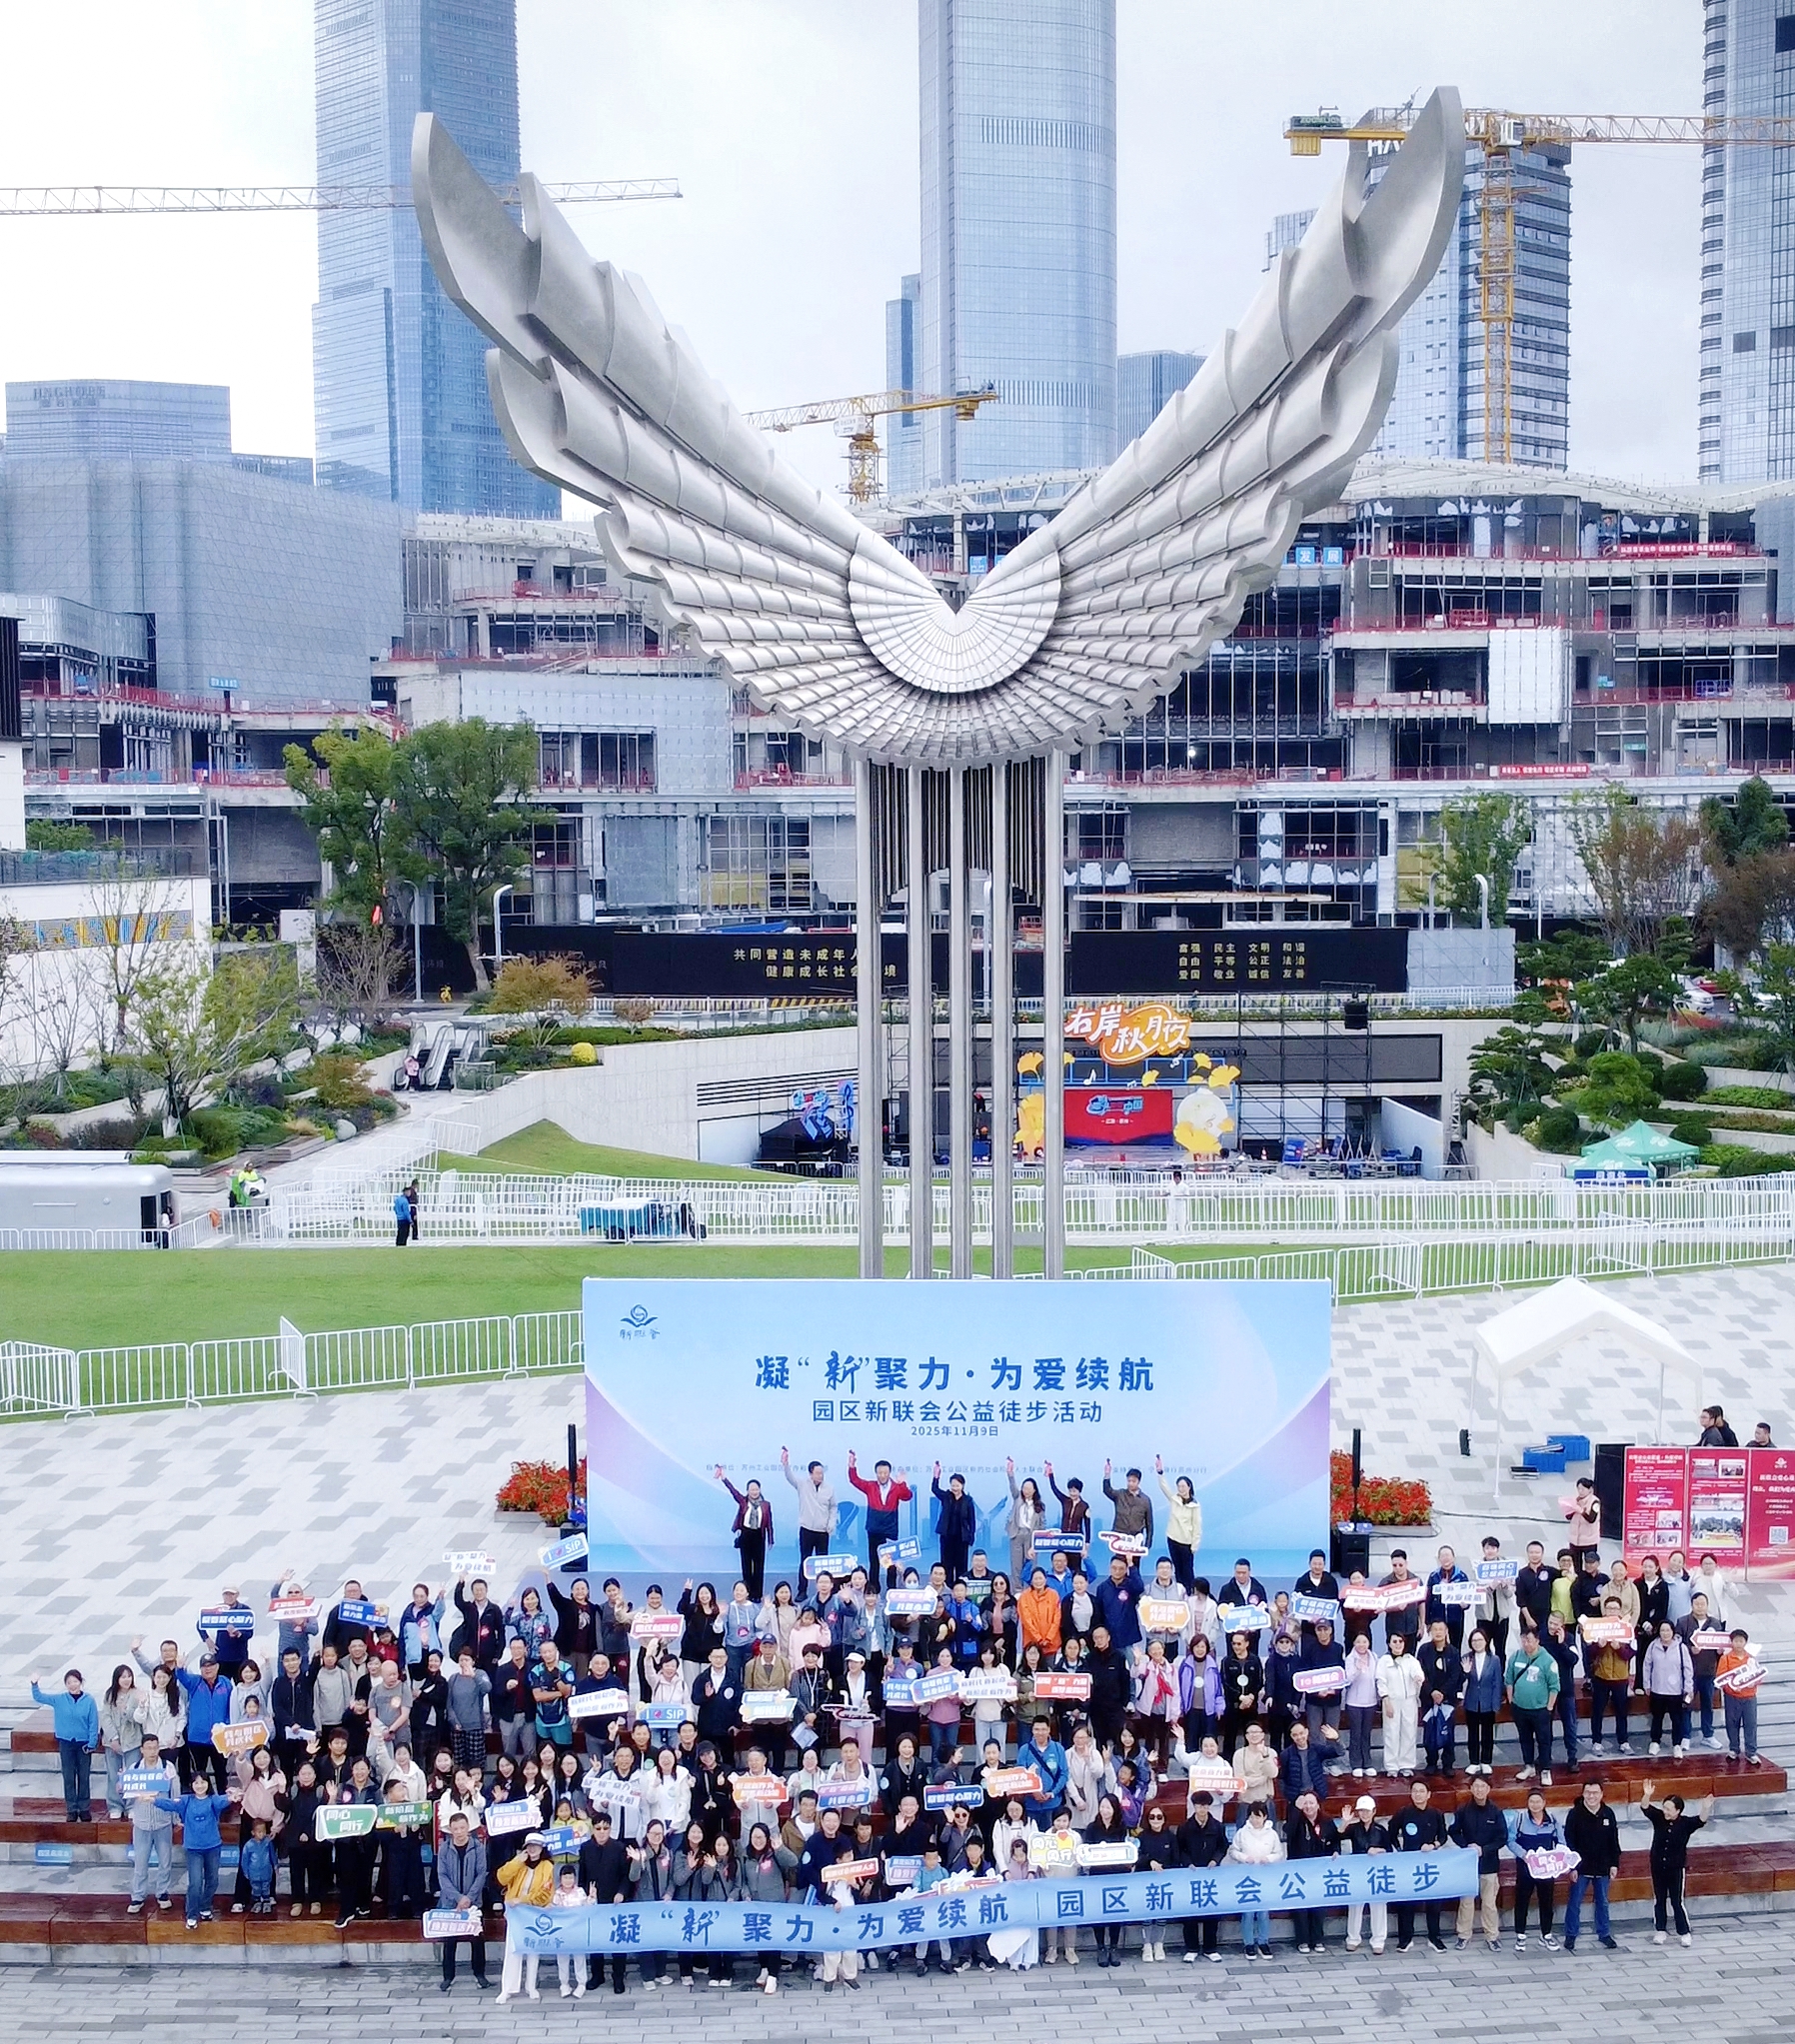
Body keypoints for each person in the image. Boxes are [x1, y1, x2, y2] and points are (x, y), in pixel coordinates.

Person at [154, 1771, 237, 1930]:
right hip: (193, 1849)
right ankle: (191, 1914)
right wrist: (153, 1800)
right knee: (195, 1883)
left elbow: (225, 1800)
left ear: (208, 1784)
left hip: (213, 1847)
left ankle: (205, 1906)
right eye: (196, 1783)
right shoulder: (185, 1800)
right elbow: (170, 1804)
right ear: (191, 1785)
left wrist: (233, 1797)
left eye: (203, 1782)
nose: (200, 1786)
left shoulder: (213, 1800)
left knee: (213, 1881)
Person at [1641, 1779, 1711, 1946]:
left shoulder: (1685, 1824)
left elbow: (1701, 1820)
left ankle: (1684, 1932)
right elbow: (1645, 1808)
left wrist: (1705, 1807)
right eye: (1664, 1808)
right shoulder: (1659, 1818)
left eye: (1669, 1809)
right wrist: (1647, 1795)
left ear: (1678, 1811)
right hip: (1658, 1866)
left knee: (1676, 1901)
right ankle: (1660, 1930)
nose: (1665, 1811)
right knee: (1659, 1899)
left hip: (1676, 1868)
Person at [30, 1667, 100, 1823]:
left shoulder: (89, 1700)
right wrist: (34, 1684)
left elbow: (93, 1722)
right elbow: (39, 1697)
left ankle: (84, 1808)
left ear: (80, 1682)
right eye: (69, 1682)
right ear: (66, 1684)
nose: (72, 1685)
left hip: (83, 1744)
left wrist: (92, 1742)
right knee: (68, 1777)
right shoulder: (60, 1699)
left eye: (75, 1681)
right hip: (66, 1743)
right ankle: (71, 1809)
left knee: (84, 1777)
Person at [1448, 1771, 1506, 1951]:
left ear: (1488, 1789)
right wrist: (1467, 1847)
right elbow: (1454, 1831)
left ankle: (1492, 1936)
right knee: (1466, 1903)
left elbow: (1502, 1838)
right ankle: (1463, 1935)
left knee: (1489, 1903)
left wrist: (1484, 1849)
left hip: (1489, 1865)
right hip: (1468, 1866)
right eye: (1476, 1786)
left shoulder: (1496, 1812)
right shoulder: (1463, 1810)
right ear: (1471, 1789)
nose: (1479, 1790)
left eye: (1483, 1786)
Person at [495, 1834, 557, 2002]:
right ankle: (507, 1988)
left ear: (542, 1848)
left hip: (534, 1911)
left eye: (536, 1846)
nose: (532, 1849)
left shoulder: (547, 1866)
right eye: (529, 1845)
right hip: (515, 1912)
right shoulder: (519, 1863)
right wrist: (517, 1861)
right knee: (512, 1949)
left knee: (533, 1950)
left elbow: (545, 1893)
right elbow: (501, 1878)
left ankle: (531, 1986)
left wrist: (522, 1900)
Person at [1562, 1779, 1621, 1952]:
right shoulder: (1574, 1814)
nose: (1591, 1796)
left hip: (1603, 1867)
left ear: (1601, 1794)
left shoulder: (1608, 1813)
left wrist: (1614, 1864)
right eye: (1588, 1793)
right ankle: (1571, 1934)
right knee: (1574, 1902)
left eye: (1595, 1793)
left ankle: (1604, 1934)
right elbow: (1569, 1841)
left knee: (1602, 1902)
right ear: (1583, 1794)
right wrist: (1572, 1867)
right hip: (1580, 1868)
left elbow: (1613, 1841)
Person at [1389, 1778, 1448, 1953]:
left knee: (1434, 1902)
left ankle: (1434, 1938)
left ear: (1428, 1794)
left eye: (1422, 1791)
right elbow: (1391, 1831)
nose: (1418, 1794)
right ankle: (1405, 1939)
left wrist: (1434, 1845)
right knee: (1407, 1902)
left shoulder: (1436, 1814)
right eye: (1415, 1791)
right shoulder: (1404, 1812)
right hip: (1409, 1865)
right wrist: (1400, 1849)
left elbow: (1443, 1836)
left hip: (1430, 1865)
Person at [436, 1810, 492, 1993]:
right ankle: (448, 1977)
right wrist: (458, 1898)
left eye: (462, 1828)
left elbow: (481, 1874)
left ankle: (480, 1974)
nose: (459, 1832)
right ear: (450, 1830)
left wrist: (469, 1897)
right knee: (449, 1942)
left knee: (477, 1939)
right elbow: (442, 1876)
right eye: (455, 1829)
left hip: (473, 1902)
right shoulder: (444, 1849)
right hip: (451, 1903)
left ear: (468, 1828)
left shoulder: (478, 1848)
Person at [1507, 1789, 1564, 1952]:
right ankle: (1520, 1936)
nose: (1535, 1805)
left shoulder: (1552, 1820)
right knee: (1522, 1901)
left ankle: (1546, 1935)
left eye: (1538, 1801)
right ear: (1527, 1803)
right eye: (1532, 1801)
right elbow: (1510, 1840)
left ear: (1544, 1803)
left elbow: (1561, 1841)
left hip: (1546, 1869)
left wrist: (1559, 1857)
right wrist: (1524, 1855)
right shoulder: (1519, 1819)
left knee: (1547, 1901)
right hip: (1525, 1868)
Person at [1226, 1798, 1283, 1959]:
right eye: (1252, 1816)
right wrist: (1244, 1858)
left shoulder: (1272, 1834)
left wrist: (1269, 1859)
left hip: (1265, 1878)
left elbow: (1279, 1853)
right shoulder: (1242, 1833)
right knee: (1248, 1913)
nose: (1255, 1820)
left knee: (1263, 1912)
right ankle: (1249, 1943)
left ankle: (1263, 1942)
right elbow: (1233, 1851)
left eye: (1258, 1816)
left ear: (1265, 1817)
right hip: (1247, 1878)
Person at [1284, 1788, 1338, 1954]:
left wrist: (1335, 1851)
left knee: (1319, 1906)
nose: (1308, 1806)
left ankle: (1318, 1939)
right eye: (1305, 1803)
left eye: (1311, 1803)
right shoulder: (1296, 1819)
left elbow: (1334, 1840)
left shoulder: (1326, 1821)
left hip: (1319, 1871)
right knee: (1301, 1907)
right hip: (1299, 1871)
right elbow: (1288, 1831)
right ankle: (1302, 1940)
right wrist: (1296, 1810)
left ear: (1318, 1804)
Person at [1504, 1627, 1560, 1782]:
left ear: (1537, 1641)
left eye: (1529, 1640)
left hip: (1540, 1709)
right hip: (1520, 1707)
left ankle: (1545, 1769)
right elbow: (1509, 1680)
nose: (1526, 1644)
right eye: (1523, 1640)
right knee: (1525, 1738)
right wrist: (1511, 1700)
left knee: (1544, 1740)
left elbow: (1554, 1686)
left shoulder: (1547, 1660)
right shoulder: (1516, 1657)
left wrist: (1549, 1708)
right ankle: (1528, 1766)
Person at [1339, 1796, 1390, 1956]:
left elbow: (1389, 1850)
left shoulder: (1381, 1830)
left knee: (1378, 1906)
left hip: (1377, 1873)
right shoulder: (1354, 1828)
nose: (1364, 1814)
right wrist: (1345, 1822)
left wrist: (1378, 1850)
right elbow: (1338, 1836)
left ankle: (1378, 1940)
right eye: (1361, 1811)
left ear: (1374, 1812)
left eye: (1367, 1811)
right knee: (1355, 1905)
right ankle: (1353, 1939)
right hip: (1358, 1872)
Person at [715, 1470, 775, 1600]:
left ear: (760, 1490)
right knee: (746, 1566)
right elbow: (733, 1491)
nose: (754, 1492)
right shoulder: (743, 1501)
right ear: (747, 1491)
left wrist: (771, 1539)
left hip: (759, 1536)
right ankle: (747, 1593)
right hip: (746, 1536)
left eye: (756, 1489)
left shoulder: (766, 1505)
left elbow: (769, 1523)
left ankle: (757, 1594)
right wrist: (724, 1478)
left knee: (758, 1567)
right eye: (752, 1489)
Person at [1642, 1618, 1695, 1758]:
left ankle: (1676, 1744)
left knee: (1676, 1719)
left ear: (1673, 1631)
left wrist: (1688, 1687)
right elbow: (1647, 1666)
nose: (1665, 1633)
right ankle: (1655, 1742)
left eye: (1668, 1630)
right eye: (1662, 1630)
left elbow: (1688, 1669)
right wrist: (1646, 1684)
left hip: (1675, 1690)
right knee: (1657, 1718)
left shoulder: (1681, 1647)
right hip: (1657, 1689)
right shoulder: (1653, 1646)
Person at [781, 1448, 838, 1575]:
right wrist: (786, 1464)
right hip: (806, 1530)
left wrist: (831, 1524)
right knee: (805, 1561)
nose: (820, 1476)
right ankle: (802, 1587)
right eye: (817, 1473)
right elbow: (790, 1477)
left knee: (822, 1563)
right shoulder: (802, 1484)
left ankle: (823, 1586)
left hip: (823, 1532)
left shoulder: (829, 1488)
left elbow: (833, 1507)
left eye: (822, 1473)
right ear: (811, 1474)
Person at [1375, 1630, 1422, 1777]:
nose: (1397, 1644)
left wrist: (1418, 1678)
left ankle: (1406, 1764)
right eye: (1394, 1642)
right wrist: (1386, 1700)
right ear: (1389, 1644)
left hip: (1409, 1701)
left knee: (1409, 1732)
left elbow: (1418, 1674)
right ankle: (1392, 1766)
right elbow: (1381, 1681)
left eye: (1400, 1641)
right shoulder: (1384, 1661)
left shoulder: (1410, 1660)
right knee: (1391, 1732)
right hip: (1392, 1701)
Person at [1152, 1456, 1202, 1589]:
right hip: (1173, 1539)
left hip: (1186, 1543)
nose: (1181, 1489)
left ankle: (1190, 1592)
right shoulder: (1174, 1499)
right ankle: (1180, 1592)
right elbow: (1164, 1487)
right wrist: (1160, 1472)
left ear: (1189, 1487)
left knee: (1188, 1571)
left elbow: (1197, 1526)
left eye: (1183, 1486)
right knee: (1178, 1570)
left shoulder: (1195, 1505)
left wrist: (1195, 1545)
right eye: (1179, 1486)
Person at [1717, 1627, 1763, 1763]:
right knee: (1732, 1723)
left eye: (1741, 1641)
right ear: (1731, 1642)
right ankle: (1734, 1749)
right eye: (1736, 1641)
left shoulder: (1751, 1659)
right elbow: (1721, 1677)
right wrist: (1732, 1687)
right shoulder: (1726, 1658)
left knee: (1751, 1724)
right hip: (1732, 1697)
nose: (1738, 1644)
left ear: (1745, 1642)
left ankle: (1751, 1752)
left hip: (1749, 1697)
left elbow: (1759, 1675)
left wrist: (1754, 1683)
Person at [1566, 1477, 1602, 1569]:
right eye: (1579, 1489)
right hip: (1575, 1539)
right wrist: (1570, 1508)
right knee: (1576, 1564)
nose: (1580, 1491)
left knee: (1590, 1564)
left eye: (1583, 1489)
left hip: (1589, 1540)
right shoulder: (1575, 1500)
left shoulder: (1595, 1502)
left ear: (1590, 1489)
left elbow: (1591, 1519)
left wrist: (1581, 1511)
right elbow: (1568, 1517)